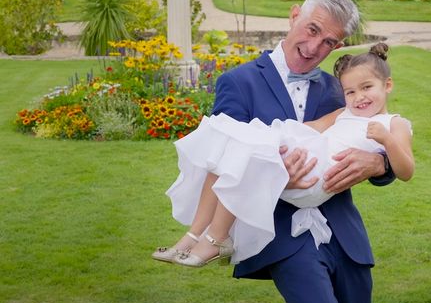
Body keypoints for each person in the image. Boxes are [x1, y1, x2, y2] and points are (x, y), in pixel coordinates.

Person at [161, 0, 399, 303]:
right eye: (312, 30)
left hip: (345, 234)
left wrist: (377, 162)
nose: (315, 47)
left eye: (330, 42)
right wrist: (273, 171)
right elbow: (222, 157)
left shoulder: (341, 87)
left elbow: (380, 134)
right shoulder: (239, 83)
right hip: (285, 237)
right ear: (293, 16)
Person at [153, 42, 414, 267]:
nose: (359, 97)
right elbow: (313, 127)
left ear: (387, 85)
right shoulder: (345, 113)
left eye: (367, 87)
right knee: (230, 144)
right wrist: (267, 137)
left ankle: (216, 239)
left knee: (243, 152)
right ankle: (194, 234)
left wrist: (386, 140)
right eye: (350, 92)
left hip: (316, 177)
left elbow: (406, 171)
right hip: (305, 158)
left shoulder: (394, 124)